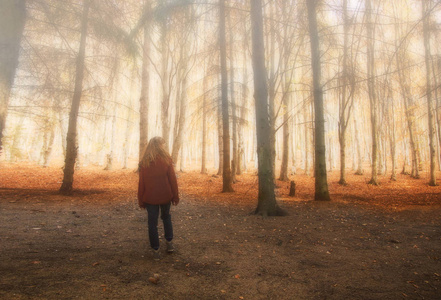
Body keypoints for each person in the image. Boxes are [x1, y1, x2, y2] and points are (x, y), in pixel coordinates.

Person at [138, 137, 179, 260]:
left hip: (150, 198)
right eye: (163, 145)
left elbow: (141, 183)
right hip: (165, 196)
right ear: (160, 146)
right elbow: (173, 180)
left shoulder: (144, 162)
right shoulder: (166, 160)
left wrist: (140, 199)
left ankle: (155, 250)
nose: (164, 147)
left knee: (152, 223)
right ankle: (169, 243)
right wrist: (175, 195)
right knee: (166, 218)